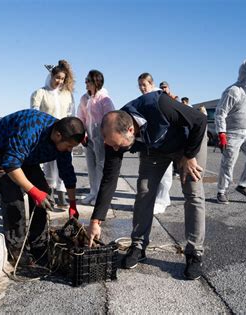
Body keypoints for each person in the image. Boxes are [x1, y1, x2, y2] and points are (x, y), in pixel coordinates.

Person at [87, 90, 208, 280]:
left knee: (193, 193)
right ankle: (138, 245)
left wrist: (190, 155)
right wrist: (96, 221)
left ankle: (194, 253)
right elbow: (109, 178)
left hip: (186, 142)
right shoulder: (113, 138)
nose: (115, 149)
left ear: (130, 130)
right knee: (144, 191)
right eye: (112, 145)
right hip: (155, 150)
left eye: (118, 145)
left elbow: (200, 120)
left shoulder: (160, 106)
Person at [0, 109, 85, 265]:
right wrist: (33, 191)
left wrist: (72, 204)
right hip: (0, 150)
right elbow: (11, 165)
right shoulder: (30, 130)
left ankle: (39, 244)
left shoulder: (64, 138)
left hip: (28, 156)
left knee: (44, 193)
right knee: (14, 199)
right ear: (58, 135)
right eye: (69, 146)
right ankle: (17, 249)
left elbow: (67, 172)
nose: (69, 150)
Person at [215, 59, 246, 204]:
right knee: (228, 162)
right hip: (232, 132)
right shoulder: (233, 91)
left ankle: (243, 185)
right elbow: (220, 113)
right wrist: (221, 133)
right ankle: (221, 192)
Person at [31, 60, 75, 206]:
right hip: (48, 135)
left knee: (65, 163)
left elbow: (71, 114)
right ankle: (50, 193)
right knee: (49, 166)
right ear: (51, 76)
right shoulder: (40, 93)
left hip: (65, 136)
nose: (59, 81)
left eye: (62, 79)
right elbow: (34, 114)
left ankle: (62, 195)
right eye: (57, 78)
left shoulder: (67, 94)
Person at [77, 70, 115, 205]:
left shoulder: (104, 99)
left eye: (88, 80)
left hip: (101, 136)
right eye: (86, 80)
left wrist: (107, 136)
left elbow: (110, 118)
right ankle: (93, 192)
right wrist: (83, 133)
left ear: (96, 82)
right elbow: (80, 117)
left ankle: (100, 194)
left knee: (101, 165)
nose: (86, 83)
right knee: (90, 165)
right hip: (89, 137)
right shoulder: (84, 98)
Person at [137, 72, 172, 214]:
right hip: (149, 141)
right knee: (152, 172)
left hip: (163, 140)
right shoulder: (143, 99)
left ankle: (162, 200)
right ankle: (160, 198)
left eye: (144, 85)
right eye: (140, 85)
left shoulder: (159, 97)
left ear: (151, 84)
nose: (142, 88)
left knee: (165, 173)